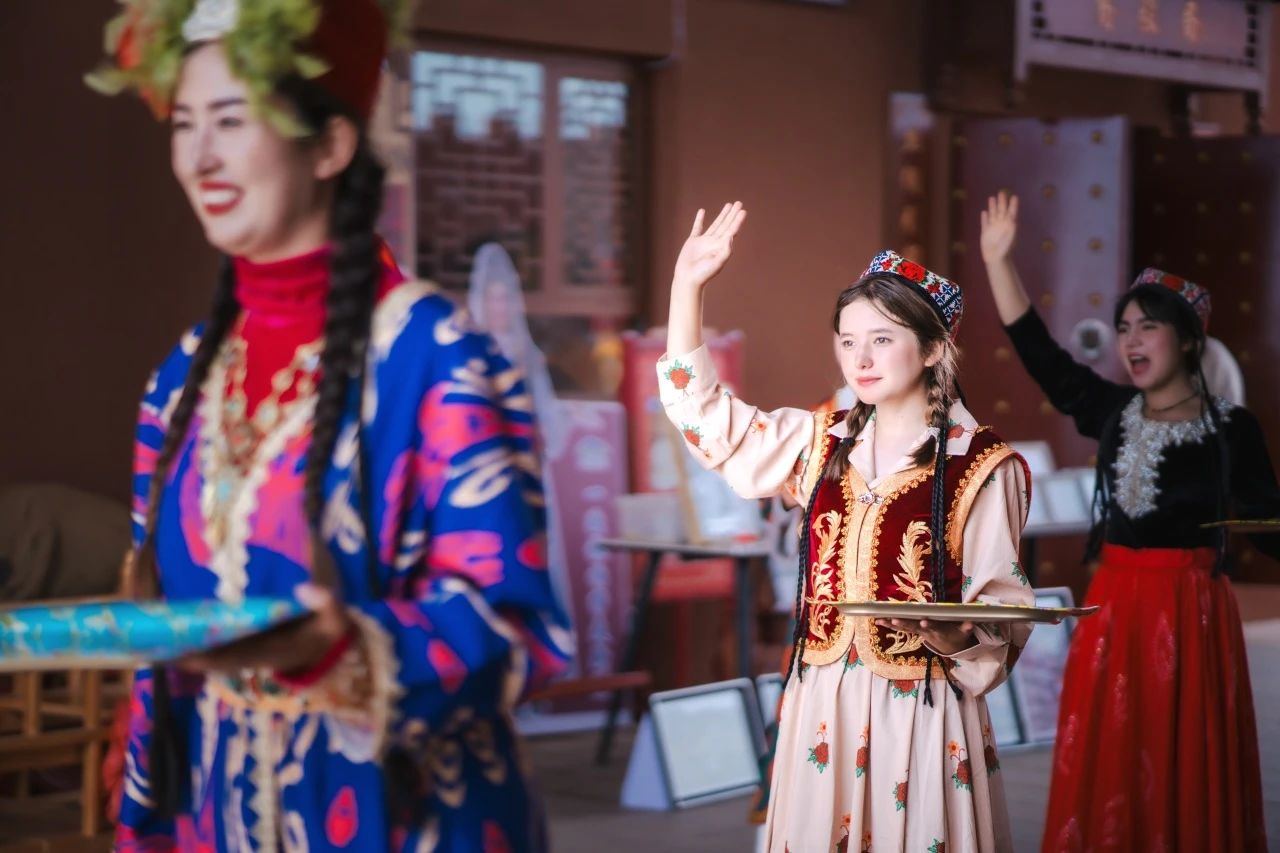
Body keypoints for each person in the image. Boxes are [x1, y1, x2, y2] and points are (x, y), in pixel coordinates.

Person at [88, 0, 571, 848]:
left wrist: (344, 651)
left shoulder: (435, 356)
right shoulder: (181, 380)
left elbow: (515, 631)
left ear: (330, 145)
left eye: (231, 120)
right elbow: (158, 652)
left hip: (399, 814)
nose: (200, 156)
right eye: (186, 124)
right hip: (217, 814)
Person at [659, 203, 1032, 851]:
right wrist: (686, 287)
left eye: (882, 339)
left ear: (934, 348)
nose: (860, 357)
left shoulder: (981, 464)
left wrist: (956, 635)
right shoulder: (816, 441)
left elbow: (1003, 607)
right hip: (822, 701)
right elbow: (706, 419)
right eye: (847, 338)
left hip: (921, 705)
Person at [979, 191, 1280, 852]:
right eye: (1124, 328)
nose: (1131, 340)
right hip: (1114, 603)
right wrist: (1000, 262)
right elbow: (1044, 358)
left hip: (1192, 609)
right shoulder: (1113, 411)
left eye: (1148, 326)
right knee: (1113, 745)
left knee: (1184, 752)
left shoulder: (1232, 428)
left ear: (1189, 339)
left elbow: (1269, 527)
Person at [467, 244, 575, 641]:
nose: (499, 307)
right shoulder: (471, 350)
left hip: (525, 461)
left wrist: (538, 434)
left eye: (505, 299)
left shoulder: (527, 354)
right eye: (492, 299)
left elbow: (545, 411)